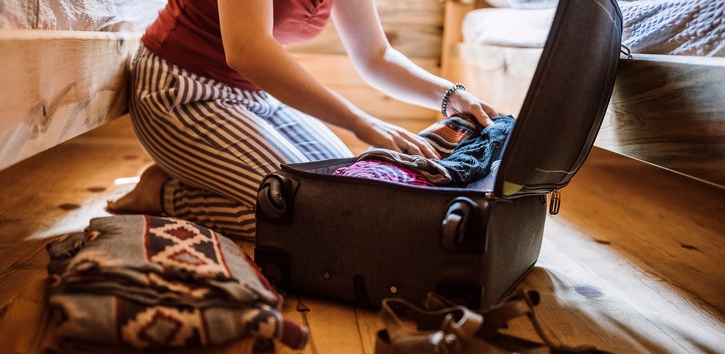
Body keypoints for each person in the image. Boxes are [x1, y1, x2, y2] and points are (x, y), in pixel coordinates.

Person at [107, 0, 498, 241]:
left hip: (256, 96)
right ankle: (164, 194)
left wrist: (449, 94)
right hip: (180, 90)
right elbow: (247, 50)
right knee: (316, 220)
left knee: (349, 198)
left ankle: (194, 173)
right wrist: (361, 122)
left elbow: (376, 54)